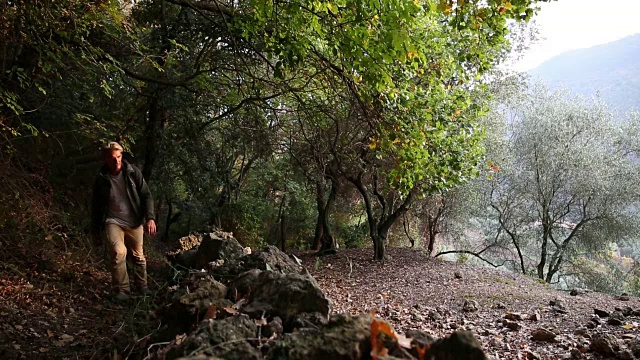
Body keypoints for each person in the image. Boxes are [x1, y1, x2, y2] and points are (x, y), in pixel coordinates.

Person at [91, 142, 156, 301]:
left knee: (138, 256)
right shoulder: (101, 180)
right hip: (113, 221)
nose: (117, 161)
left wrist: (150, 218)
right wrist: (95, 230)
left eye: (119, 157)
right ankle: (122, 290)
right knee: (119, 252)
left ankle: (142, 287)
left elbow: (146, 195)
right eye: (113, 158)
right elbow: (96, 207)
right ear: (105, 159)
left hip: (134, 220)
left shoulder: (133, 173)